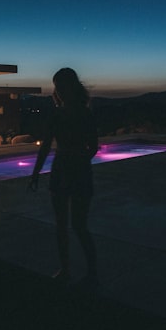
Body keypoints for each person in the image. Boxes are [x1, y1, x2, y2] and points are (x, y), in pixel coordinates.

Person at [28, 67, 99, 286]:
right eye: (57, 86)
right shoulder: (59, 115)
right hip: (63, 171)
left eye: (60, 85)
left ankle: (89, 271)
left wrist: (77, 159)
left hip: (74, 171)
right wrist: (36, 172)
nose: (58, 90)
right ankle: (67, 270)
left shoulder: (82, 114)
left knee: (77, 225)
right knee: (63, 225)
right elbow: (46, 146)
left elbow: (94, 147)